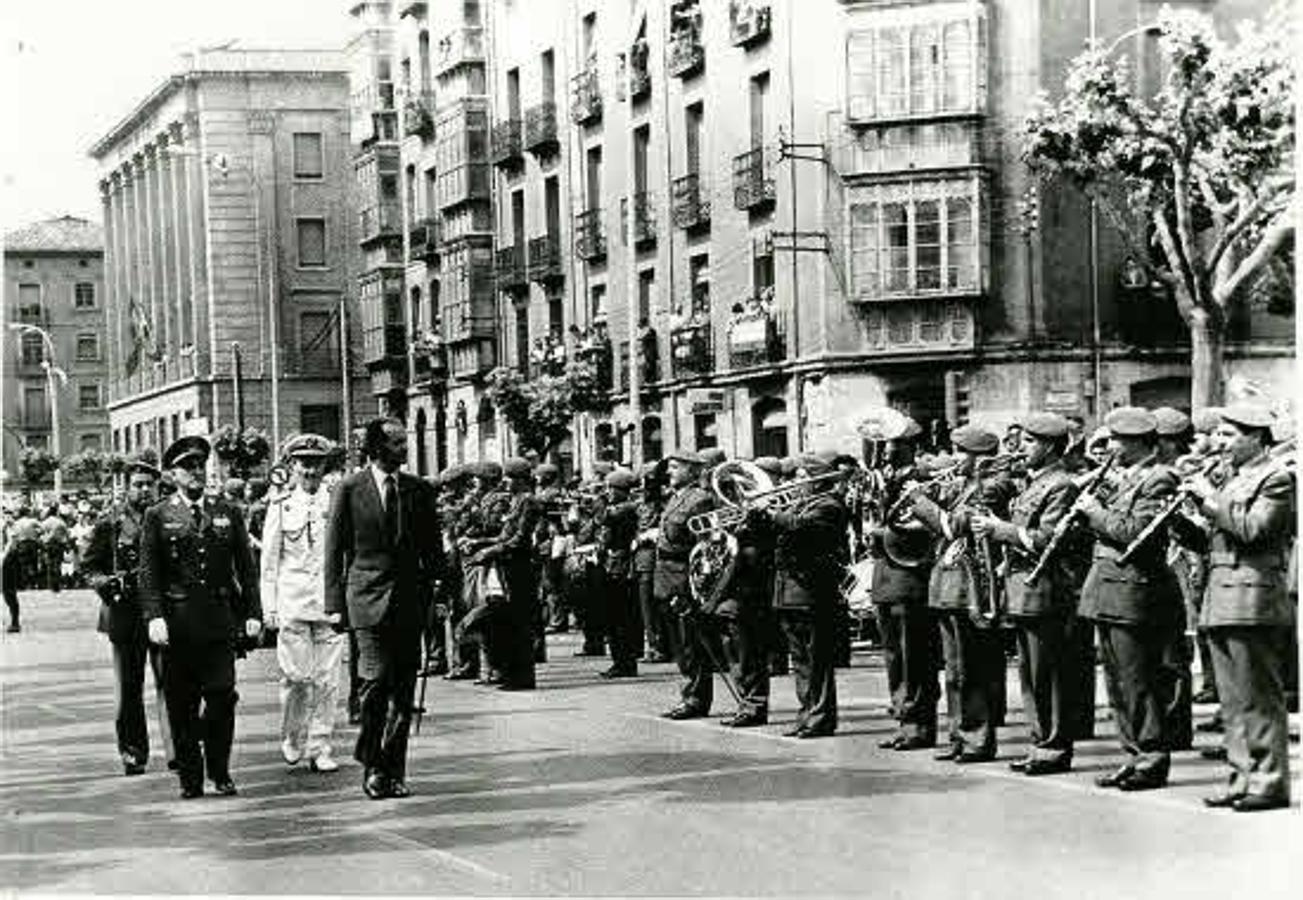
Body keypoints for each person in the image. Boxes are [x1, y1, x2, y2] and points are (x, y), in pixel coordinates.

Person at [1181, 403, 1295, 812]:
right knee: (1231, 701)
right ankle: (1241, 778)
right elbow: (1216, 541)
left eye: (1229, 436)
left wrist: (1210, 501)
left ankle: (1268, 782)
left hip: (1253, 597)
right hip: (1223, 595)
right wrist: (1185, 519)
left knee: (1259, 697)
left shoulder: (1277, 478)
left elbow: (1253, 529)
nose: (1220, 443)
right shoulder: (1232, 478)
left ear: (1256, 437)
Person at [324, 417, 443, 800]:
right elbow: (334, 551)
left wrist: (439, 595)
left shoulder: (419, 490)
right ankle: (372, 762)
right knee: (374, 685)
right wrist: (333, 605)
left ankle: (392, 770)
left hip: (410, 602)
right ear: (376, 448)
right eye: (395, 443)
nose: (404, 449)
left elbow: (433, 550)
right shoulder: (349, 488)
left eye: (404, 442)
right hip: (366, 600)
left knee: (404, 694)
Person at [139, 436, 263, 799]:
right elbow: (150, 574)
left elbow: (246, 567)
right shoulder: (158, 515)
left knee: (223, 696)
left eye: (199, 466)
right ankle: (190, 777)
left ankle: (220, 770)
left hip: (219, 621)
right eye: (187, 467)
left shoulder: (226, 510)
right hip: (177, 625)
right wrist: (154, 616)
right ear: (172, 474)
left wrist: (253, 613)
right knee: (181, 703)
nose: (195, 473)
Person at [973, 412, 1087, 775]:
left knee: (1047, 674)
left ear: (1050, 446)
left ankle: (1053, 746)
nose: (1019, 449)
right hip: (1024, 590)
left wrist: (999, 529)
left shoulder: (1061, 485)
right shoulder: (1033, 484)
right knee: (1030, 674)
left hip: (1046, 592)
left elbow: (1048, 540)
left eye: (1028, 443)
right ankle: (1041, 742)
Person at [1077, 407, 1183, 792]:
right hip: (1110, 590)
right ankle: (1134, 754)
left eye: (1118, 440)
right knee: (1119, 682)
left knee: (1138, 681)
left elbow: (1138, 533)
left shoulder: (1159, 479)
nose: (1110, 447)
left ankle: (1152, 757)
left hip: (1135, 590)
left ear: (1139, 442)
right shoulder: (1127, 478)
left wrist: (1094, 513)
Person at [911, 426, 1016, 762]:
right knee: (955, 670)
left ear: (976, 456)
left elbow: (953, 526)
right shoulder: (964, 485)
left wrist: (920, 501)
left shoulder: (991, 487)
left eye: (959, 452)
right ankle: (959, 735)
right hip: (948, 585)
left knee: (972, 669)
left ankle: (977, 739)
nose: (953, 459)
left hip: (970, 587)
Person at [83, 456, 174, 775]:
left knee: (172, 682)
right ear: (127, 487)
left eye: (150, 484)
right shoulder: (110, 521)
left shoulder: (169, 517)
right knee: (129, 688)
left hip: (163, 612)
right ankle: (133, 752)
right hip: (124, 612)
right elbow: (89, 566)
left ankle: (177, 749)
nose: (145, 490)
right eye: (138, 484)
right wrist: (105, 584)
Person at [260, 434, 344, 773]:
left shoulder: (337, 501)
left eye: (316, 463)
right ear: (292, 466)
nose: (310, 470)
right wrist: (270, 607)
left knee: (328, 680)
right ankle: (293, 735)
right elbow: (269, 561)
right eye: (303, 463)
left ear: (325, 467)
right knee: (297, 678)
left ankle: (320, 746)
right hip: (292, 602)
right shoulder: (280, 505)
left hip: (329, 603)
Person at [751, 455, 849, 737]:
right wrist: (757, 517)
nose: (794, 483)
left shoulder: (829, 505)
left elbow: (800, 527)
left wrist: (771, 514)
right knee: (801, 660)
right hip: (789, 589)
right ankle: (806, 713)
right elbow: (774, 536)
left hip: (813, 590)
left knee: (817, 659)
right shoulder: (800, 504)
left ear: (817, 480)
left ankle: (820, 717)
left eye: (801, 477)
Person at [867, 416, 940, 750]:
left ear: (912, 447)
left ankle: (919, 724)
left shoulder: (925, 480)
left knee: (915, 656)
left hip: (911, 576)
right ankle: (903, 717)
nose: (887, 452)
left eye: (894, 446)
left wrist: (883, 533)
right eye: (884, 445)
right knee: (894, 656)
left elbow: (926, 529)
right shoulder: (883, 481)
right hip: (885, 576)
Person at [467, 457, 539, 691]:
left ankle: (522, 676)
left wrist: (491, 551)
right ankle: (512, 673)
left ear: (519, 479)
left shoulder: (529, 502)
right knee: (509, 621)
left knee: (519, 623)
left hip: (520, 568)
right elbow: (504, 536)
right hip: (507, 566)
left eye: (509, 478)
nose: (506, 483)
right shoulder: (517, 501)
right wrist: (480, 543)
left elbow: (520, 539)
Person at [656, 450, 717, 719]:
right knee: (680, 645)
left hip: (684, 577)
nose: (669, 472)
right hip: (668, 576)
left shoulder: (700, 499)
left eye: (675, 467)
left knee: (691, 643)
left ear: (693, 471)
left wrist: (694, 585)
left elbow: (706, 546)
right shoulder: (676, 498)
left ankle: (696, 698)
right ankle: (690, 694)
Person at [595, 467, 642, 678]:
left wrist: (598, 502)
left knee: (620, 618)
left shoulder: (626, 508)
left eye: (612, 488)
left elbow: (602, 518)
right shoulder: (619, 507)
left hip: (621, 565)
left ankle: (625, 662)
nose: (608, 492)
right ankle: (620, 660)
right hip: (612, 562)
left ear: (623, 490)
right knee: (613, 618)